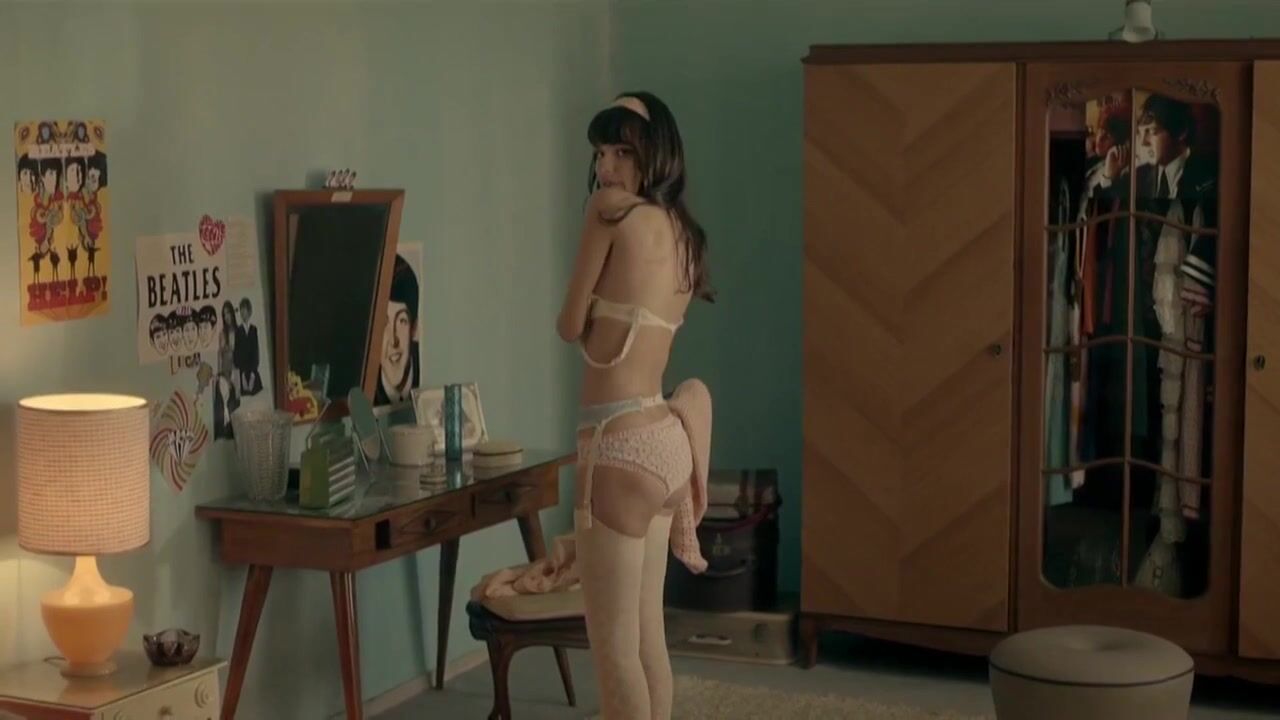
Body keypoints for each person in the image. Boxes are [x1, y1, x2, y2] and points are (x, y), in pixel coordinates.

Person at [557, 91, 714, 720]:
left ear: (655, 153)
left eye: (622, 151)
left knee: (614, 650)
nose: (606, 168)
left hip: (617, 444)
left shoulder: (608, 213)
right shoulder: (684, 233)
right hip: (665, 443)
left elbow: (569, 325)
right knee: (650, 642)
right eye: (600, 153)